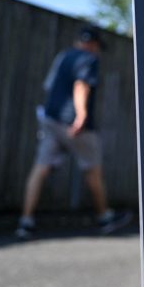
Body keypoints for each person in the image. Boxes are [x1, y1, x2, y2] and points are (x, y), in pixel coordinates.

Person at [15, 25, 131, 239]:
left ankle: (26, 221)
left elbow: (50, 87)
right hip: (75, 124)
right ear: (93, 44)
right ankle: (104, 217)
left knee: (40, 169)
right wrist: (81, 115)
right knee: (93, 170)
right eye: (97, 47)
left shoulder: (63, 57)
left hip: (50, 119)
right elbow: (81, 85)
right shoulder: (89, 59)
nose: (97, 51)